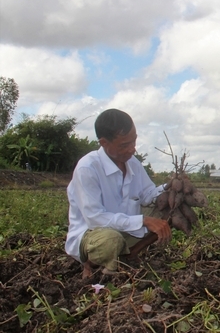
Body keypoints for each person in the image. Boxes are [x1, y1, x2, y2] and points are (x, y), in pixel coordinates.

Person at [65, 109, 171, 279]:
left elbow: (148, 195)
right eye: (124, 145)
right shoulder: (88, 168)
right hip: (94, 235)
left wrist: (170, 187)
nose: (132, 149)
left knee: (170, 211)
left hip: (125, 231)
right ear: (104, 142)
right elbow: (95, 218)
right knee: (111, 240)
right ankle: (92, 265)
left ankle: (129, 256)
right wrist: (143, 220)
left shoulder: (132, 162)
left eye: (134, 141)